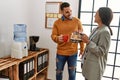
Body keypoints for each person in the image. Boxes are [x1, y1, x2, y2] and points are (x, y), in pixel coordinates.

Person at [51, 2, 85, 80]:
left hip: (73, 52)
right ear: (61, 12)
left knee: (72, 74)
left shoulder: (77, 21)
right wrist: (57, 38)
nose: (69, 13)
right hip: (61, 53)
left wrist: (82, 49)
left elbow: (81, 36)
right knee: (58, 72)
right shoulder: (57, 23)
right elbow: (53, 36)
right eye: (67, 12)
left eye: (70, 11)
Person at [81, 7, 113, 80]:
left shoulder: (105, 32)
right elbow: (91, 44)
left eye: (96, 14)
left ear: (101, 16)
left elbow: (101, 51)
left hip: (94, 68)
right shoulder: (96, 29)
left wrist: (88, 42)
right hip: (88, 66)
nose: (94, 16)